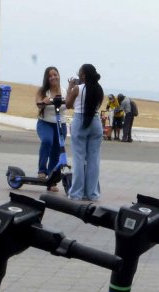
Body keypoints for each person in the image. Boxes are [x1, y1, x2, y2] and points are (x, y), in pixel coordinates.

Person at [65, 64, 104, 201]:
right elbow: (97, 106)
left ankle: (76, 193)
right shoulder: (99, 90)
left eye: (79, 73)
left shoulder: (78, 89)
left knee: (79, 158)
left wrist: (70, 87)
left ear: (83, 76)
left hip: (80, 121)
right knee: (93, 160)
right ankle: (92, 193)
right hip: (96, 122)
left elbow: (68, 104)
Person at [34, 66, 67, 191]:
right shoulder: (43, 91)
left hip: (60, 124)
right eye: (50, 76)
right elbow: (38, 103)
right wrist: (44, 101)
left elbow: (70, 103)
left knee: (56, 151)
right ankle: (42, 170)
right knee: (47, 141)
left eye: (55, 74)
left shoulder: (64, 91)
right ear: (47, 79)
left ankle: (52, 180)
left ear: (59, 75)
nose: (53, 77)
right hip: (45, 123)